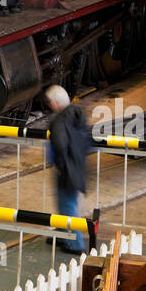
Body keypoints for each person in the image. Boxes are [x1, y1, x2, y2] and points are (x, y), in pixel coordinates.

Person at [45, 85, 91, 255]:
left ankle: (75, 244)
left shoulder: (58, 122)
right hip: (78, 166)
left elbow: (59, 144)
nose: (50, 105)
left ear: (56, 103)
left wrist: (59, 165)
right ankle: (63, 234)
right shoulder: (77, 114)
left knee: (67, 205)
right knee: (65, 202)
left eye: (50, 102)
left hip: (67, 170)